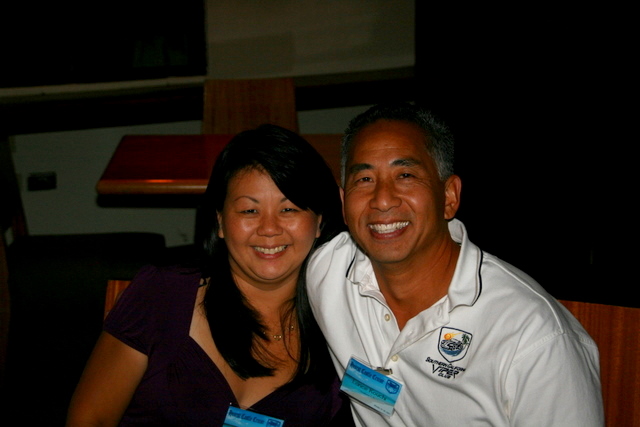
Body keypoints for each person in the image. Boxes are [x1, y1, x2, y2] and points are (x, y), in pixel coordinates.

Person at [306, 102, 604, 426]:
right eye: (364, 179)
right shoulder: (329, 272)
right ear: (343, 203)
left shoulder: (534, 337)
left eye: (405, 175)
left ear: (449, 196)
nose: (382, 199)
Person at [66, 124, 353, 426]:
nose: (269, 229)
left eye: (289, 209)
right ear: (220, 222)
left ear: (319, 222)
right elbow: (90, 419)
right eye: (249, 211)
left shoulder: (342, 324)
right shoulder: (162, 294)